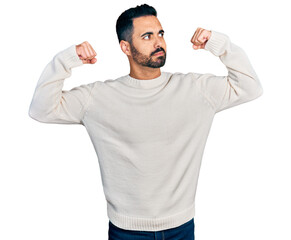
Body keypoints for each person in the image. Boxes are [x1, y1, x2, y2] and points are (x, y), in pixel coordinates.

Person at [28, 3, 263, 240]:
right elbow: (41, 109)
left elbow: (250, 87)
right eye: (147, 36)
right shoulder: (98, 98)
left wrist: (219, 44)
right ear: (126, 47)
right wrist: (66, 60)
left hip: (181, 227)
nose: (158, 42)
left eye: (160, 34)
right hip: (126, 231)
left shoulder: (195, 89)